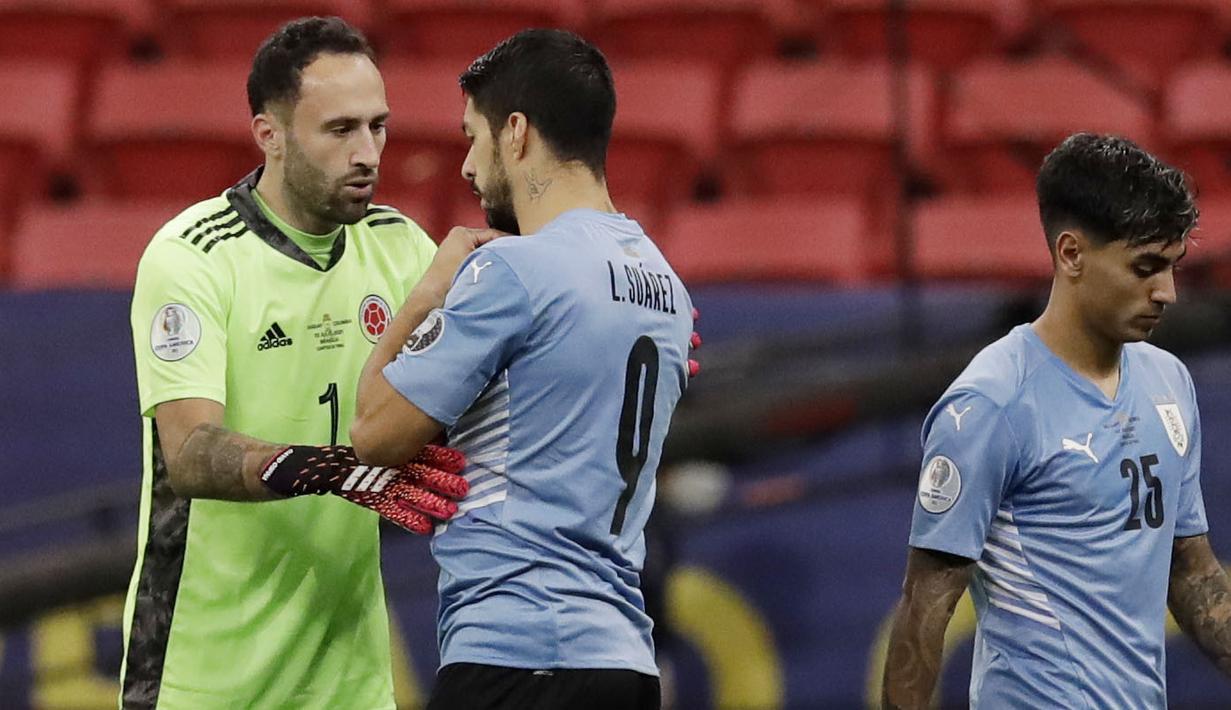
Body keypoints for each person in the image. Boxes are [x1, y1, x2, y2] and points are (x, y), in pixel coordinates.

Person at [123, 17, 469, 709]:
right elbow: (189, 452)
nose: (368, 152)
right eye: (340, 130)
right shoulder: (192, 256)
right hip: (208, 676)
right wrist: (325, 467)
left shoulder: (401, 249)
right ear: (269, 135)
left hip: (351, 677)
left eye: (378, 126)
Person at [351, 28, 698, 710]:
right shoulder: (667, 288)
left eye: (472, 137)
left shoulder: (511, 269)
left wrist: (428, 291)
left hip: (515, 651)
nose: (465, 167)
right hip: (625, 662)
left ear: (515, 133)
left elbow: (373, 432)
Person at [881, 133, 1231, 708]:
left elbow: (1190, 571)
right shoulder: (992, 405)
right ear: (1071, 254)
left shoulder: (1170, 382)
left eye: (1173, 266)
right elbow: (925, 610)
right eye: (1145, 267)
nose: (1167, 291)